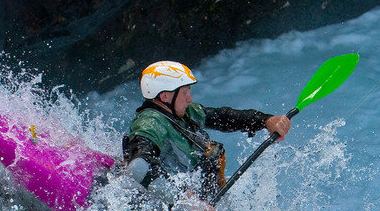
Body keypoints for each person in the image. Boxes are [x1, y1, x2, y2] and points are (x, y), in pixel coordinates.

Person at [122, 60, 291, 202]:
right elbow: (137, 167)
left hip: (203, 209)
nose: (190, 98)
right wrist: (185, 202)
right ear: (165, 96)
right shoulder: (151, 121)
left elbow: (222, 117)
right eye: (185, 93)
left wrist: (266, 120)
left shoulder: (183, 113)